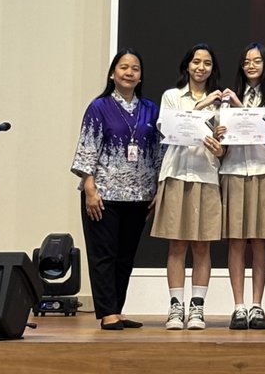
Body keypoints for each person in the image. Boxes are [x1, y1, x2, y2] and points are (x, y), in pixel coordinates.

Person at [70, 48, 163, 330]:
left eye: (135, 68)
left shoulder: (151, 109)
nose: (129, 72)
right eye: (123, 67)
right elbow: (87, 149)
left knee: (125, 256)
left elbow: (159, 152)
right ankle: (107, 313)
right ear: (112, 73)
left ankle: (117, 310)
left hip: (139, 196)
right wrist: (89, 189)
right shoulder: (99, 107)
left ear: (140, 76)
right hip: (103, 194)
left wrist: (158, 188)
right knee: (104, 254)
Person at [153, 44, 228, 331]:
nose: (201, 67)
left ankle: (197, 307)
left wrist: (219, 148)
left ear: (212, 68)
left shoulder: (222, 104)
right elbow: (170, 128)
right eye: (196, 61)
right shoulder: (172, 97)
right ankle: (176, 307)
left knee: (201, 245)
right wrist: (203, 104)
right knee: (176, 244)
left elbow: (224, 148)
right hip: (176, 174)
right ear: (187, 65)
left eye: (207, 63)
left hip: (206, 176)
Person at [222, 43, 265, 331]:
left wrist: (239, 106)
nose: (251, 65)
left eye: (257, 61)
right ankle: (238, 306)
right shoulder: (227, 96)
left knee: (261, 241)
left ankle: (257, 305)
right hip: (234, 169)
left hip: (264, 170)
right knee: (236, 240)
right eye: (246, 61)